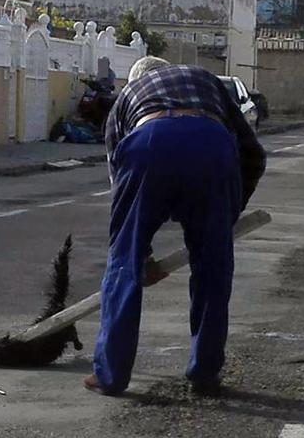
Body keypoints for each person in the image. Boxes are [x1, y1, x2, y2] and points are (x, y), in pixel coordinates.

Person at [83, 57, 266, 396]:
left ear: (137, 81)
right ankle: (205, 372)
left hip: (150, 143)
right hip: (212, 144)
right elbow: (254, 154)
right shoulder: (205, 79)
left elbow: (119, 190)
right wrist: (229, 212)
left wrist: (142, 256)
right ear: (165, 70)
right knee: (214, 268)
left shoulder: (126, 97)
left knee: (123, 263)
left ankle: (111, 375)